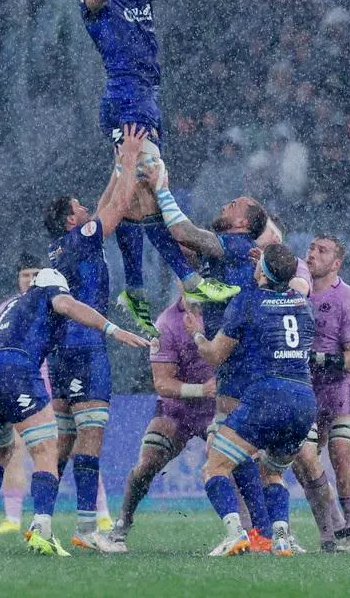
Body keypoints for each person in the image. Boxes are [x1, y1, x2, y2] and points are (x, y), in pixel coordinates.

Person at [81, 0, 235, 335]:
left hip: (148, 97)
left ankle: (135, 287)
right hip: (124, 97)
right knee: (151, 179)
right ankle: (188, 280)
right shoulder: (92, 2)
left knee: (138, 197)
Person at [0, 266, 151, 556]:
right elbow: (66, 304)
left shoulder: (13, 306)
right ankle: (42, 532)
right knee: (46, 451)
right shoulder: (49, 291)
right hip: (16, 370)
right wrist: (113, 330)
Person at [147, 162, 274, 551]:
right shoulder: (227, 254)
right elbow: (179, 248)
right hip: (236, 361)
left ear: (243, 224)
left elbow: (184, 232)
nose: (226, 204)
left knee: (218, 459)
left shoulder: (235, 245)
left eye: (234, 204)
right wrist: (149, 217)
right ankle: (264, 534)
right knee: (239, 451)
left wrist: (162, 189)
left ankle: (241, 533)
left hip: (242, 359)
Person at [42, 125, 145, 551]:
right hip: (84, 347)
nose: (86, 208)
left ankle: (42, 523)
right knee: (90, 437)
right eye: (78, 207)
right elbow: (117, 207)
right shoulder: (81, 238)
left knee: (64, 440)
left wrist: (118, 164)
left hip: (60, 350)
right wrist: (131, 159)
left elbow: (104, 204)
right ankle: (87, 529)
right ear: (71, 220)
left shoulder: (64, 245)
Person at [190, 243, 316, 557]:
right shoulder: (302, 301)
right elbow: (291, 280)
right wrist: (270, 265)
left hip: (267, 395)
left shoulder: (247, 301)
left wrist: (197, 335)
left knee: (214, 467)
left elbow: (215, 355)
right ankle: (282, 537)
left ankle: (235, 534)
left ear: (261, 271)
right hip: (303, 399)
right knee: (272, 472)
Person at [0, 254, 112, 536]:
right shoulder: (7, 308)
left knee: (78, 445)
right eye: (24, 274)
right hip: (21, 387)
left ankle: (101, 513)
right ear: (17, 278)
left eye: (35, 274)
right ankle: (14, 517)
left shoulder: (55, 301)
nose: (29, 279)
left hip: (53, 386)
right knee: (15, 450)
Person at [107, 290, 217, 552]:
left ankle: (252, 531)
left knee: (237, 464)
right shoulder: (166, 323)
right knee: (148, 461)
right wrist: (201, 390)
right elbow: (162, 383)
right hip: (176, 409)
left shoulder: (224, 311)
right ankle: (122, 524)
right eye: (189, 276)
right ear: (179, 282)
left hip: (218, 409)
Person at [292, 234, 350, 553]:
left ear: (337, 263)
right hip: (304, 389)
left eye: (322, 251)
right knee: (303, 458)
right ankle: (331, 529)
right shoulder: (296, 290)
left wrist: (316, 358)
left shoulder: (349, 300)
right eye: (311, 248)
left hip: (342, 388)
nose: (312, 254)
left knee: (340, 451)